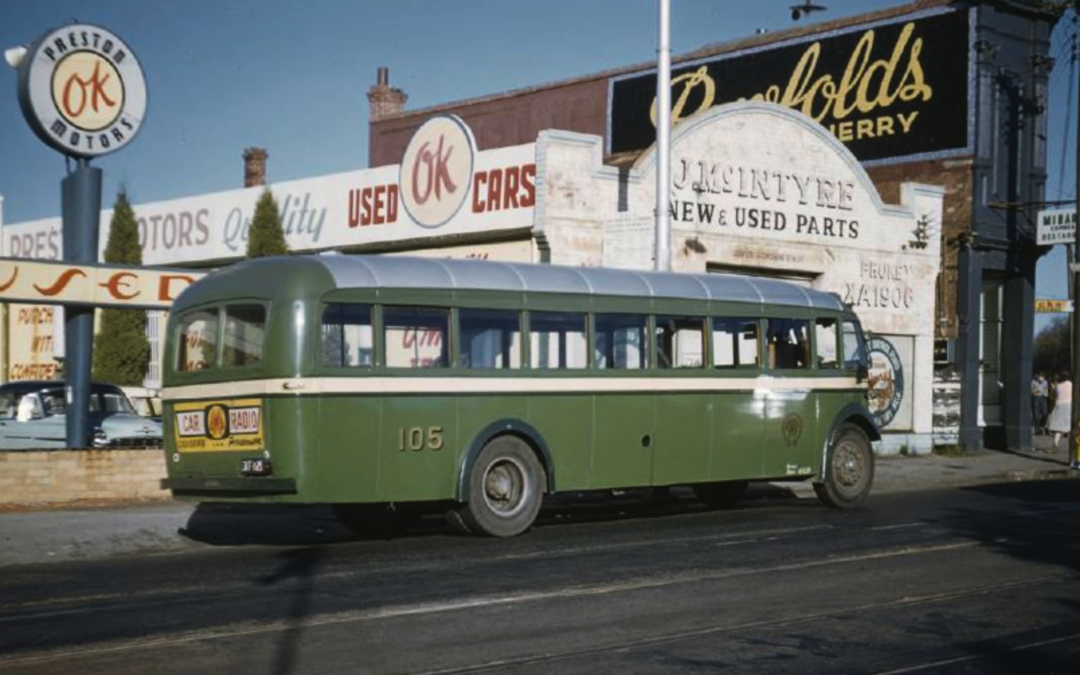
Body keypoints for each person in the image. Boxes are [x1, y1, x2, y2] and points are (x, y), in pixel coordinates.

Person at [1047, 371, 1072, 449]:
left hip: (1059, 405)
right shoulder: (1071, 385)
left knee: (1059, 427)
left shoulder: (1058, 386)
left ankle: (1055, 443)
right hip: (1068, 404)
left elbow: (1055, 396)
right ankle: (1072, 444)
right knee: (1070, 426)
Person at [1031, 371, 1049, 435]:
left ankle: (1041, 425)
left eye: (1042, 376)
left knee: (1045, 413)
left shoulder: (1045, 382)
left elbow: (1046, 390)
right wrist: (1035, 390)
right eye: (1039, 376)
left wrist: (1046, 394)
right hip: (1036, 398)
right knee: (1036, 415)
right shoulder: (1033, 381)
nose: (1041, 377)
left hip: (1043, 398)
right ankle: (1037, 430)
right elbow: (1031, 391)